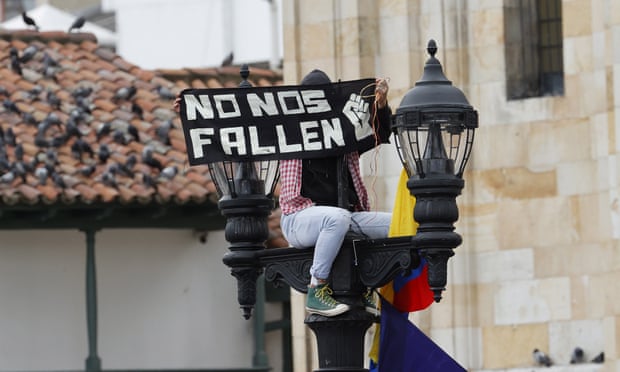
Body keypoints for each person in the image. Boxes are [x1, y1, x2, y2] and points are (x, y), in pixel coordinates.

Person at [279, 69, 392, 317]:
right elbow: (242, 130)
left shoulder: (343, 134)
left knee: (398, 224)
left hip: (343, 218)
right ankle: (317, 287)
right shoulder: (290, 134)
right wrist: (190, 113)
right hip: (298, 219)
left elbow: (380, 133)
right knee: (337, 218)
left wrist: (381, 105)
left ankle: (367, 285)